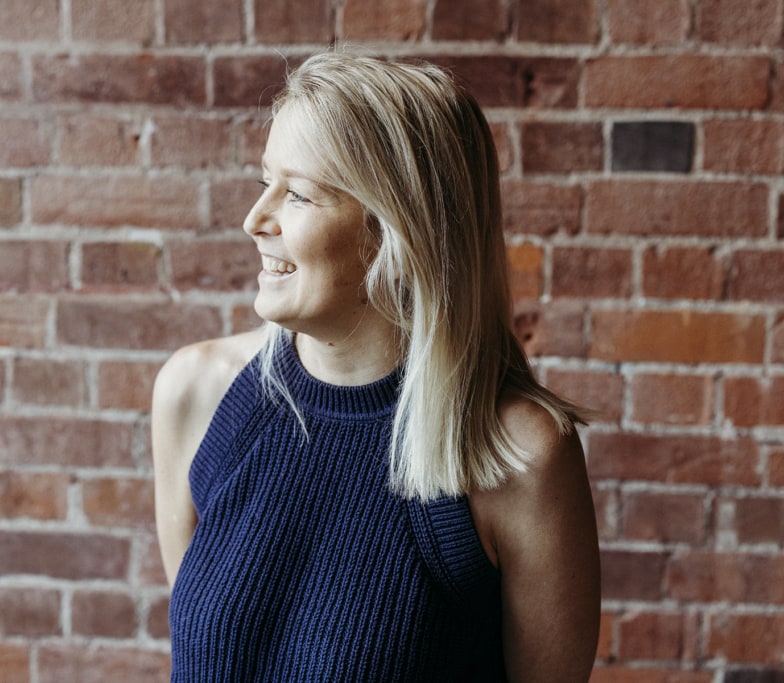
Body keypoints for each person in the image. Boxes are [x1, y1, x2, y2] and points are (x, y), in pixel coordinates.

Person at [151, 52, 600, 682]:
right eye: (264, 182)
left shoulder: (519, 455)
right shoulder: (196, 395)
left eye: (299, 194)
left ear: (397, 233)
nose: (255, 220)